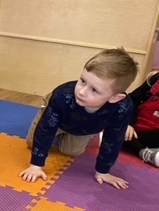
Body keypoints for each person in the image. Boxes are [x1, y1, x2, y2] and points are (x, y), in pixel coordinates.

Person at [20, 48, 139, 189]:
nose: (81, 92)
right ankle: (48, 112)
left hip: (85, 125)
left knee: (71, 152)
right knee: (32, 143)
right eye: (82, 81)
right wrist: (36, 165)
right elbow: (46, 129)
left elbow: (114, 140)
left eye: (94, 90)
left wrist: (103, 171)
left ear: (115, 97)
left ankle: (81, 133)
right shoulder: (63, 95)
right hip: (57, 112)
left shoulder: (122, 108)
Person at [123, 70, 159, 166]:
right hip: (137, 127)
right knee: (122, 126)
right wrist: (129, 123)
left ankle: (120, 138)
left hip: (154, 134)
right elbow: (132, 99)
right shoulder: (154, 80)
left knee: (122, 134)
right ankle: (142, 151)